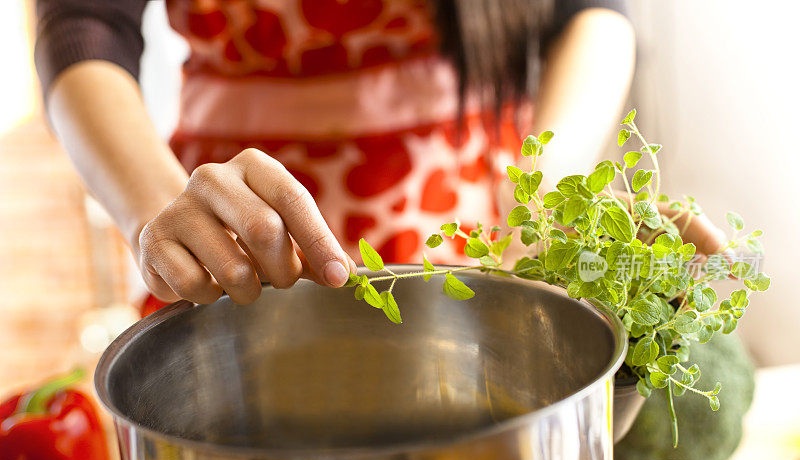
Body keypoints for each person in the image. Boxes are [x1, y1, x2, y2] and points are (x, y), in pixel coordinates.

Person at [35, 0, 720, 309]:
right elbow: (83, 26)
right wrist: (160, 214)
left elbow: (592, 10)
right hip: (240, 244)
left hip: (482, 228)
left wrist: (545, 198)